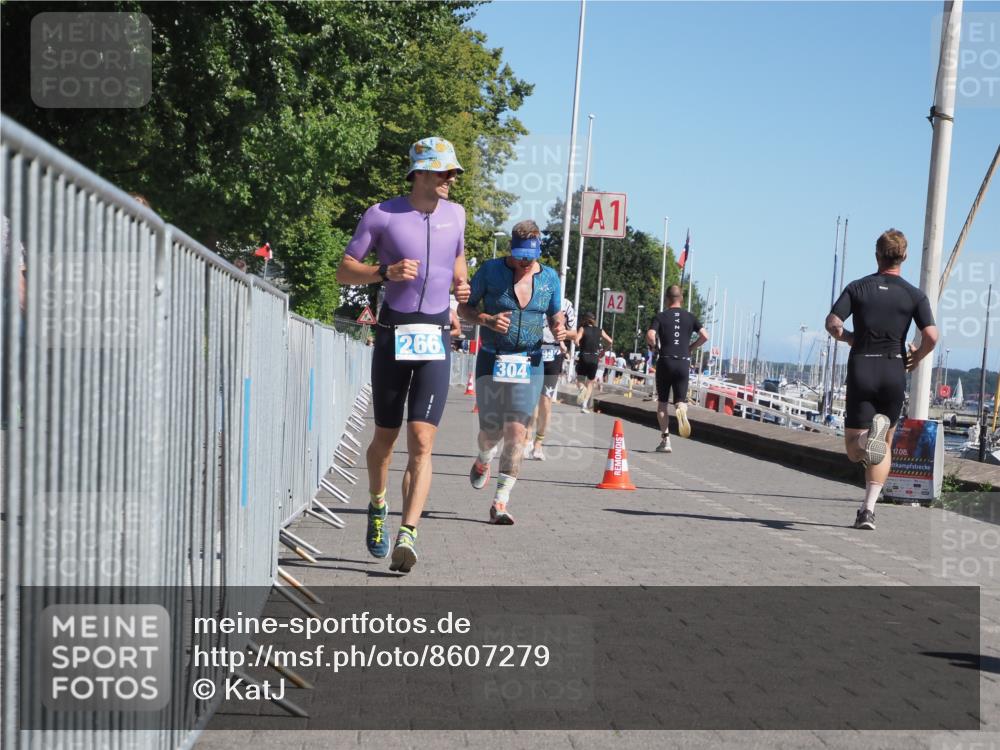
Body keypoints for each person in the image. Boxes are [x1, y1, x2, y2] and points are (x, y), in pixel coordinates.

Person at [336, 136, 470, 573]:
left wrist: (462, 284)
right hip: (393, 333)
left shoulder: (458, 215)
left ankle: (408, 533)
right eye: (446, 172)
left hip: (433, 336)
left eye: (454, 173)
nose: (452, 180)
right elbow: (343, 270)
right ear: (422, 173)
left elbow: (458, 258)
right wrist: (383, 272)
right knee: (386, 439)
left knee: (423, 441)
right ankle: (378, 505)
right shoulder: (382, 214)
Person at [825, 228, 937, 531]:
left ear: (877, 254)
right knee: (885, 444)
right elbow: (931, 335)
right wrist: (918, 356)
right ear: (905, 256)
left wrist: (849, 338)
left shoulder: (858, 288)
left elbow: (833, 323)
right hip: (893, 369)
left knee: (853, 448)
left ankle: (865, 438)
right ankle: (867, 510)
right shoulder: (914, 295)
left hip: (863, 365)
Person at [458, 220, 566, 525]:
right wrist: (487, 320)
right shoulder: (491, 271)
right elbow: (463, 309)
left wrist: (559, 328)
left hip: (529, 362)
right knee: (491, 431)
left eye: (529, 257)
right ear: (511, 250)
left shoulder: (549, 279)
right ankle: (483, 459)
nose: (523, 262)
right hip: (492, 359)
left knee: (518, 431)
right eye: (519, 256)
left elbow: (556, 316)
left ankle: (501, 502)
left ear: (537, 252)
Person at [646, 285, 709, 453]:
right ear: (681, 298)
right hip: (683, 362)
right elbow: (705, 336)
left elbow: (650, 335)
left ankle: (666, 440)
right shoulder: (690, 317)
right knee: (680, 400)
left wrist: (654, 346)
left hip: (665, 361)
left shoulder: (660, 316)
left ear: (667, 299)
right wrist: (691, 347)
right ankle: (681, 408)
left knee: (662, 405)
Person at [524, 296, 577, 460]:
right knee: (531, 399)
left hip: (554, 355)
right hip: (534, 352)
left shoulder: (566, 305)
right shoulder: (534, 299)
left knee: (546, 400)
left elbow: (574, 334)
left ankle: (539, 443)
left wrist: (563, 333)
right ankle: (527, 439)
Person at [575, 312, 612, 413]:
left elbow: (576, 340)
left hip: (584, 356)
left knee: (579, 380)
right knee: (591, 382)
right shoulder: (600, 330)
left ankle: (582, 389)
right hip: (595, 358)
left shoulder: (582, 329)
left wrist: (578, 344)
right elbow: (610, 341)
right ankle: (584, 404)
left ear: (585, 320)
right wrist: (603, 351)